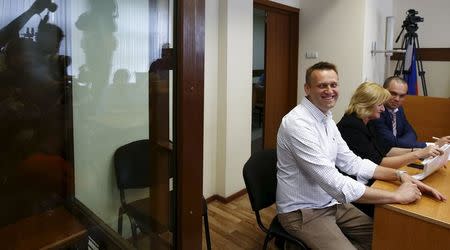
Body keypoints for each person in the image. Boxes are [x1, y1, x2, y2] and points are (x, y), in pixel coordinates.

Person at [276, 62, 446, 250]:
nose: (330, 90)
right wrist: (396, 195)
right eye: (322, 85)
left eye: (333, 85)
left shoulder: (326, 118)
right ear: (307, 88)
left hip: (331, 202)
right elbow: (333, 182)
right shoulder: (297, 124)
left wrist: (399, 175)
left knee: (385, 237)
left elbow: (352, 162)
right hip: (303, 211)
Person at [337, 82, 443, 170]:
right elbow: (379, 163)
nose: (383, 109)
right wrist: (418, 154)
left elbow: (386, 150)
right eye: (380, 105)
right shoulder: (351, 126)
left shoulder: (367, 120)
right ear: (367, 104)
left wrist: (419, 151)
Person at [373, 76, 450, 149]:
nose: (397, 99)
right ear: (383, 91)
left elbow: (411, 134)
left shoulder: (399, 109)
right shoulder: (376, 112)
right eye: (393, 93)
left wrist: (399, 143)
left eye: (402, 96)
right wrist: (433, 145)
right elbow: (390, 143)